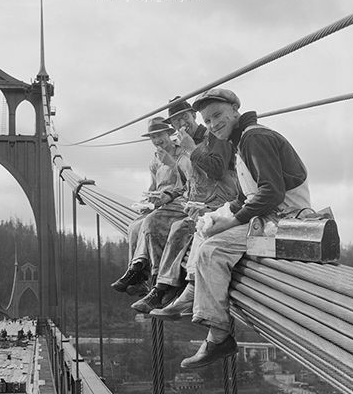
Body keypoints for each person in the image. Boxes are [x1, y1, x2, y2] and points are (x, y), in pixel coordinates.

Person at [178, 88, 311, 369]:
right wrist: (215, 214)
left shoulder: (254, 139)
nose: (213, 124)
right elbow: (244, 197)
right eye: (208, 120)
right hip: (269, 216)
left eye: (218, 116)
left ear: (235, 111)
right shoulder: (242, 142)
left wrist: (232, 221)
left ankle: (219, 336)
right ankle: (193, 297)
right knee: (206, 230)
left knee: (212, 251)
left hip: (284, 220)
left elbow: (271, 193)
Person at [131, 97, 239, 313]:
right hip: (196, 204)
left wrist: (191, 150)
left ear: (193, 115)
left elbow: (217, 171)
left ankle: (162, 289)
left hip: (221, 205)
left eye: (184, 117)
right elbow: (190, 180)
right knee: (151, 224)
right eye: (176, 121)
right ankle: (155, 282)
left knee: (177, 228)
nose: (181, 123)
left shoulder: (213, 136)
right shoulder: (181, 144)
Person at [111, 116, 190, 293]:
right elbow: (153, 186)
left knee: (150, 222)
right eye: (153, 137)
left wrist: (171, 164)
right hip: (160, 204)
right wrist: (147, 200)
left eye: (160, 135)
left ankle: (150, 273)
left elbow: (189, 184)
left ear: (169, 134)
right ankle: (136, 274)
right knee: (134, 227)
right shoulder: (154, 160)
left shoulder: (182, 154)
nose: (157, 141)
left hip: (178, 202)